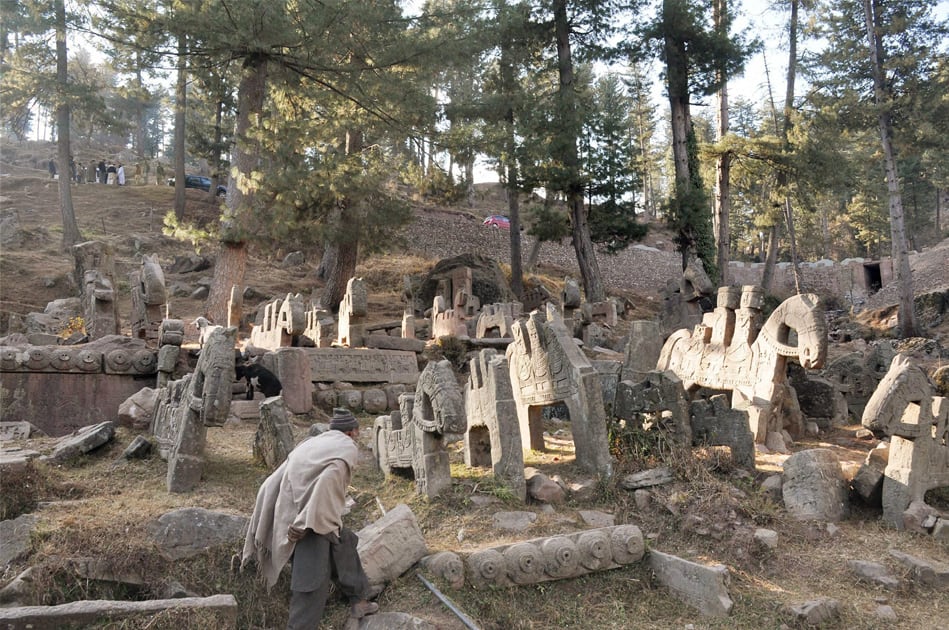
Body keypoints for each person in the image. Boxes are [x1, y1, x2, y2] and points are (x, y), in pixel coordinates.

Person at [242, 408, 378, 628]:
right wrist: (306, 521)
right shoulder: (346, 448)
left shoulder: (315, 442)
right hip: (305, 519)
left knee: (345, 542)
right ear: (352, 433)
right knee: (311, 581)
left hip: (286, 505)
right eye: (358, 433)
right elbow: (327, 481)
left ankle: (359, 600)